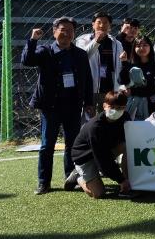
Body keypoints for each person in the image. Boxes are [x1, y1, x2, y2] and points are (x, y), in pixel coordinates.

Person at [22, 17, 93, 195]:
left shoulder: (80, 54)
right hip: (51, 106)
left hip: (73, 106)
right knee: (47, 145)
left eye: (70, 30)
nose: (66, 33)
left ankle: (71, 178)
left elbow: (87, 79)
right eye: (63, 30)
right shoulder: (45, 51)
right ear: (54, 32)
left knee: (72, 144)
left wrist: (89, 102)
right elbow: (27, 60)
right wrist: (33, 40)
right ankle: (44, 182)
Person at [65, 90, 131, 199]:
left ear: (125, 108)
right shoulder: (95, 127)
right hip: (84, 157)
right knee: (98, 193)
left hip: (105, 150)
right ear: (104, 106)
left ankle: (129, 179)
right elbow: (102, 158)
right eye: (112, 107)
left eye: (120, 108)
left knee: (128, 146)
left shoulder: (126, 117)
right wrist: (120, 180)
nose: (116, 110)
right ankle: (78, 177)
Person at [75, 11, 125, 112]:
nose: (102, 25)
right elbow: (82, 58)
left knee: (107, 116)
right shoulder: (82, 40)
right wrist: (96, 41)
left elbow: (119, 67)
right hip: (90, 89)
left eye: (105, 23)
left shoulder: (116, 43)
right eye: (99, 22)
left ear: (110, 26)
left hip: (109, 90)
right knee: (88, 117)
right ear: (93, 25)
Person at [118, 35, 155, 120]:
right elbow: (122, 81)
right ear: (134, 48)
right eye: (138, 45)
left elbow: (154, 88)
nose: (141, 48)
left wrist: (133, 91)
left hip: (150, 105)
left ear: (150, 47)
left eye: (145, 45)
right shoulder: (130, 65)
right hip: (132, 106)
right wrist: (124, 62)